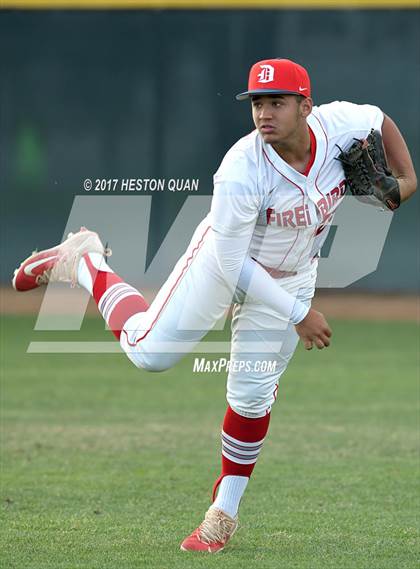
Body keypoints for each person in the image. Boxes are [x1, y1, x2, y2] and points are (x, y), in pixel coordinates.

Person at [13, 58, 417, 553]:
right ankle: (84, 263)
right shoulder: (241, 168)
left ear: (305, 106)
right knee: (149, 353)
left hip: (292, 276)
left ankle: (222, 515)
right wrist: (299, 315)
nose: (264, 113)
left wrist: (406, 177)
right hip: (225, 264)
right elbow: (230, 265)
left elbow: (379, 118)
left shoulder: (338, 126)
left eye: (277, 102)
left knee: (251, 396)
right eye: (257, 103)